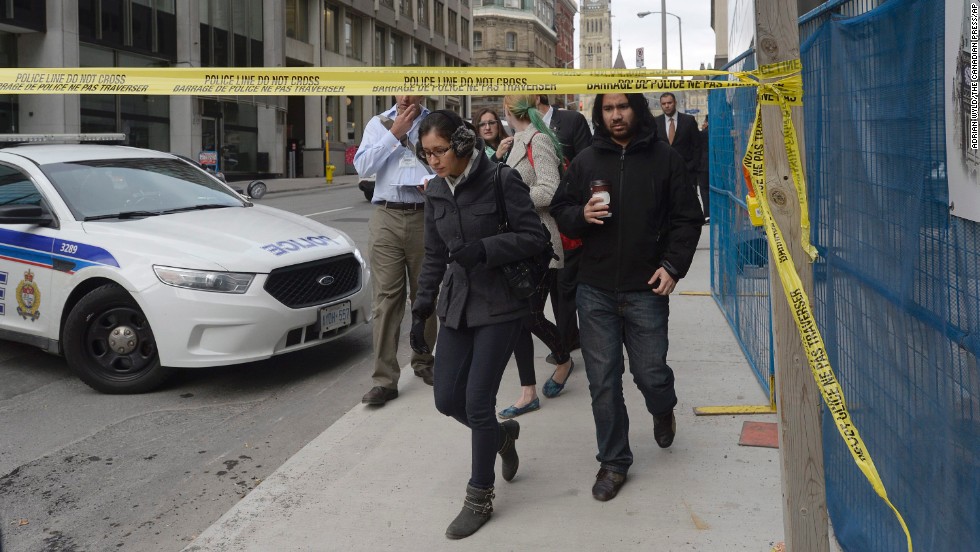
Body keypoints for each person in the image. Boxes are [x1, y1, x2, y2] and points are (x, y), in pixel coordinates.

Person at [550, 93, 703, 502]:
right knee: (603, 381)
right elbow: (561, 208)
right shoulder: (586, 162)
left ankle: (662, 406)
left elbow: (687, 218)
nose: (616, 115)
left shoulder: (665, 159)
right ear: (599, 114)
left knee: (650, 372)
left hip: (646, 289)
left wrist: (672, 266)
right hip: (595, 287)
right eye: (607, 109)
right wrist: (579, 216)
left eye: (623, 107)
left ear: (637, 109)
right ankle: (614, 462)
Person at [410, 110, 548, 539]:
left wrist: (485, 249)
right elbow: (434, 255)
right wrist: (421, 308)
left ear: (464, 144)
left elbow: (535, 239)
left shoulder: (501, 180)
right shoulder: (435, 190)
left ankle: (479, 495)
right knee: (447, 399)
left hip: (500, 304)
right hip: (457, 304)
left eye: (439, 151)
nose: (433, 161)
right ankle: (503, 437)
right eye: (425, 153)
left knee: (476, 403)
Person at [354, 95, 438, 406]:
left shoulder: (434, 123)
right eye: (399, 90)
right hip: (386, 215)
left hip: (424, 215)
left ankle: (424, 361)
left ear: (422, 91)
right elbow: (363, 166)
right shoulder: (378, 124)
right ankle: (385, 380)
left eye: (410, 89)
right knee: (386, 299)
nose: (403, 97)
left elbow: (451, 164)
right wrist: (395, 133)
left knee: (425, 293)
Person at [495, 94, 573, 419]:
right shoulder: (514, 143)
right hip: (517, 244)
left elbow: (550, 189)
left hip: (539, 243)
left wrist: (515, 201)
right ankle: (528, 392)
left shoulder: (537, 140)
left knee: (529, 316)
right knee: (518, 318)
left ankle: (564, 356)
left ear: (507, 109)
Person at [533, 94, 592, 365]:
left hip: (570, 216)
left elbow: (586, 164)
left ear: (534, 95)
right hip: (542, 223)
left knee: (568, 285)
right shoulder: (524, 129)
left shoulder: (571, 120)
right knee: (557, 284)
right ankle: (570, 336)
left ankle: (570, 340)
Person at [654, 92, 702, 194]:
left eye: (669, 103)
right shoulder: (656, 122)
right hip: (663, 172)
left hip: (687, 171)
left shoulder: (688, 121)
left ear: (675, 102)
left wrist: (693, 166)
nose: (667, 106)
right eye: (664, 104)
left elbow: (697, 145)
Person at [698, 115, 710, 222]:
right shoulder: (720, 132)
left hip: (703, 165)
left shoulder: (702, 134)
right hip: (718, 164)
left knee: (704, 189)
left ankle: (707, 214)